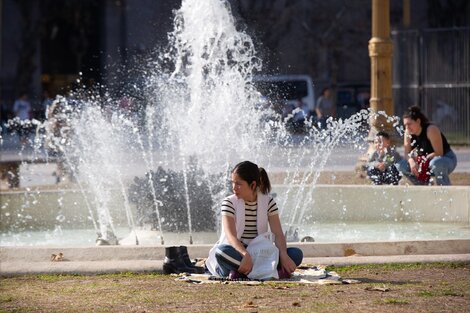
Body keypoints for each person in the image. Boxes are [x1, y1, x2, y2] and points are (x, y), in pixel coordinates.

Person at [206, 161, 303, 279]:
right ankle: (268, 272)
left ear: (252, 185)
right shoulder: (229, 203)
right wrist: (245, 254)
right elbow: (231, 236)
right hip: (237, 252)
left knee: (296, 254)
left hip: (259, 253)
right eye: (233, 183)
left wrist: (283, 255)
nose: (234, 188)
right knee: (222, 252)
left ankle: (241, 273)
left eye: (239, 184)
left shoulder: (268, 202)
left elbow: (278, 233)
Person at [395, 106, 457, 185]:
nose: (407, 127)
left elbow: (439, 153)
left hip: (445, 159)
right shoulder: (408, 132)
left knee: (435, 163)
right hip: (426, 161)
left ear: (418, 121)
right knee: (401, 165)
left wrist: (423, 159)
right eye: (405, 125)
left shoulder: (431, 129)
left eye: (409, 124)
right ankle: (422, 185)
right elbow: (407, 153)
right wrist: (412, 162)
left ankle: (444, 189)